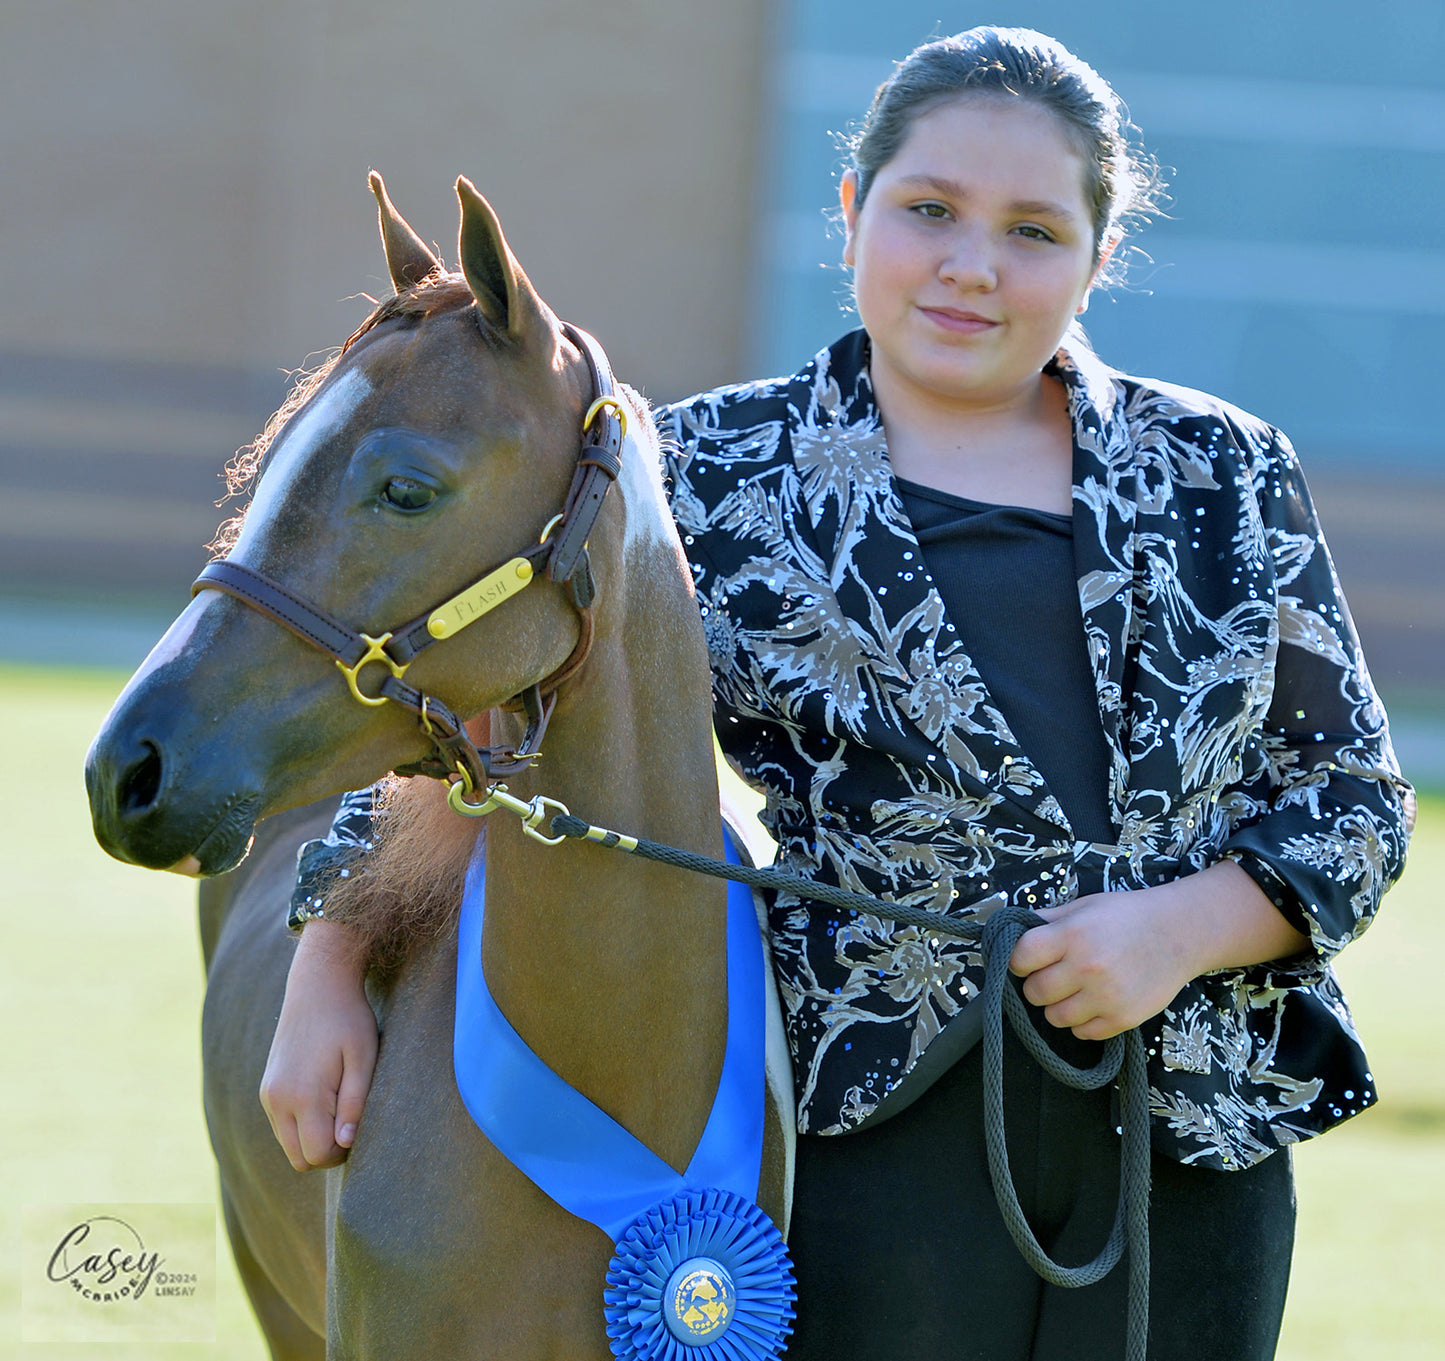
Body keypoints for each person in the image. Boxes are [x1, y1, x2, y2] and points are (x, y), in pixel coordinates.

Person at [260, 26, 1412, 1359]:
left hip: (1192, 1130)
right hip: (861, 1123)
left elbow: (1352, 801)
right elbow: (479, 739)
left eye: (1033, 230)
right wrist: (331, 955)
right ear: (854, 210)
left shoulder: (1221, 467)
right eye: (929, 210)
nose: (971, 265)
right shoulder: (691, 477)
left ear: (1098, 256)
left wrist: (1183, 928)